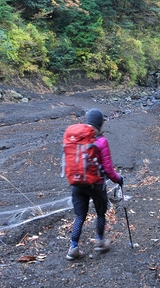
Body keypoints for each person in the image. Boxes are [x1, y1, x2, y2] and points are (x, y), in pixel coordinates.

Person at [66, 108, 124, 261]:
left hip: (77, 182)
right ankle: (100, 241)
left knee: (80, 216)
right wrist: (119, 180)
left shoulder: (76, 138)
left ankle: (73, 247)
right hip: (96, 184)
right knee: (100, 213)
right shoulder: (101, 141)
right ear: (100, 124)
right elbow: (108, 170)